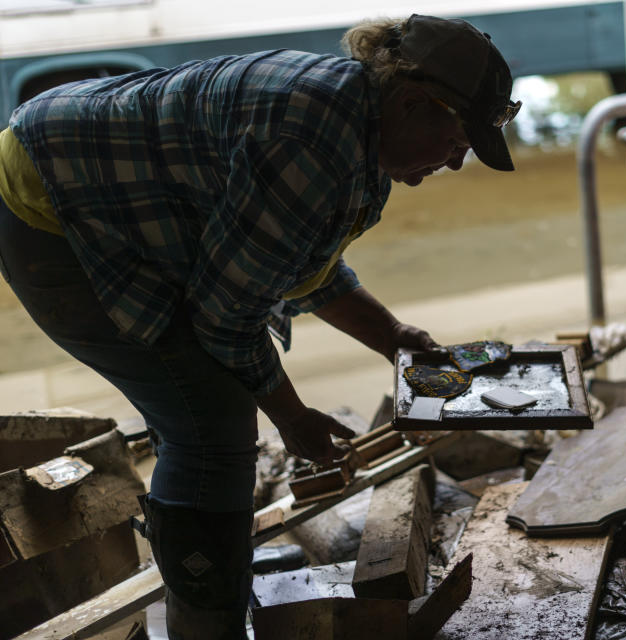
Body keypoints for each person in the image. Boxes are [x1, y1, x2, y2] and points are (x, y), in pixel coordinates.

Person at [0, 14, 520, 639]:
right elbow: (226, 318)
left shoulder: (363, 126)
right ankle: (206, 624)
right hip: (52, 199)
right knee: (211, 422)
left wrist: (391, 336)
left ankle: (200, 549)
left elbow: (296, 258)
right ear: (412, 102)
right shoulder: (311, 138)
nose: (457, 163)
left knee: (202, 407)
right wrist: (294, 418)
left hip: (107, 180)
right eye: (457, 142)